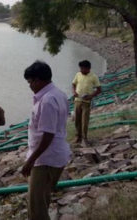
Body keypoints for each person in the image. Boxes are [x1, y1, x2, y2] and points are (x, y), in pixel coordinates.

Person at [21, 61, 71, 220]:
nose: (30, 86)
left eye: (30, 82)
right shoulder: (59, 94)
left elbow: (48, 135)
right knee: (43, 198)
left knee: (36, 207)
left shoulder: (48, 100)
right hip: (54, 156)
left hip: (45, 160)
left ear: (39, 80)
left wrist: (30, 160)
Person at [72, 60, 101, 146]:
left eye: (83, 68)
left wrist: (91, 96)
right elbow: (73, 84)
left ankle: (84, 138)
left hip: (86, 102)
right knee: (77, 119)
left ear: (88, 69)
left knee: (84, 120)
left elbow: (99, 89)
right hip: (77, 101)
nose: (81, 70)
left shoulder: (93, 77)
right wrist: (74, 92)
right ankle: (78, 137)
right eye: (80, 68)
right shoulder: (78, 75)